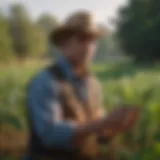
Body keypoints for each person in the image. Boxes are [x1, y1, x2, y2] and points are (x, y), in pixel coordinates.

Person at [26, 11, 139, 160]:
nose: (89, 46)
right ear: (63, 43)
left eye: (93, 40)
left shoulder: (93, 84)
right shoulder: (45, 81)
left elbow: (99, 136)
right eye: (83, 39)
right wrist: (102, 123)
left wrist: (114, 127)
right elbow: (50, 134)